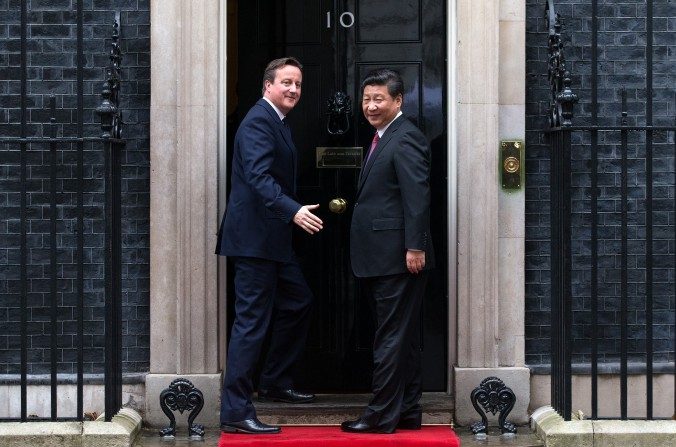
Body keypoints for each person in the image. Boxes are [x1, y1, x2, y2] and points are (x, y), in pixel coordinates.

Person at [215, 57, 324, 435]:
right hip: (255, 242)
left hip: (272, 241)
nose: (294, 89)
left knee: (298, 302)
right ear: (268, 86)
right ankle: (234, 412)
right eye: (286, 83)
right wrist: (293, 210)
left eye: (298, 84)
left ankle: (276, 381)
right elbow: (259, 179)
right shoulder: (260, 121)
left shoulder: (276, 122)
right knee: (251, 323)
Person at [341, 68, 435, 434]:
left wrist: (415, 246)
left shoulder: (406, 137)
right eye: (366, 99)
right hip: (383, 257)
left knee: (391, 338)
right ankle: (408, 410)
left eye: (379, 99)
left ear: (398, 101)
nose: (370, 106)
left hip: (398, 257)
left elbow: (417, 196)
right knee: (404, 337)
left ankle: (380, 416)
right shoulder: (383, 137)